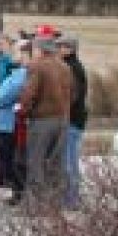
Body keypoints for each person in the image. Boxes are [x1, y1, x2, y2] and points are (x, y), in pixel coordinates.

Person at [19, 36, 74, 205]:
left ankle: (35, 203)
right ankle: (55, 202)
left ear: (40, 50)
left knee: (36, 161)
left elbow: (29, 94)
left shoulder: (36, 66)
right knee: (56, 163)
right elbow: (72, 93)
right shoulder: (65, 67)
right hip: (62, 119)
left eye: (34, 49)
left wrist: (23, 112)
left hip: (42, 120)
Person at [0, 40, 30, 195]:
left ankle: (16, 192)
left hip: (9, 122)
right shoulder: (17, 72)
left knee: (11, 159)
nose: (12, 54)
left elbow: (3, 96)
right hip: (8, 121)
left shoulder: (22, 74)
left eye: (16, 51)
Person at [60, 36, 89, 210]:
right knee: (70, 159)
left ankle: (72, 199)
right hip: (74, 118)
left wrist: (62, 108)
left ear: (70, 49)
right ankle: (71, 197)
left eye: (61, 46)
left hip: (72, 119)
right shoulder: (70, 66)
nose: (58, 49)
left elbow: (74, 96)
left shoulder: (72, 68)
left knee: (69, 160)